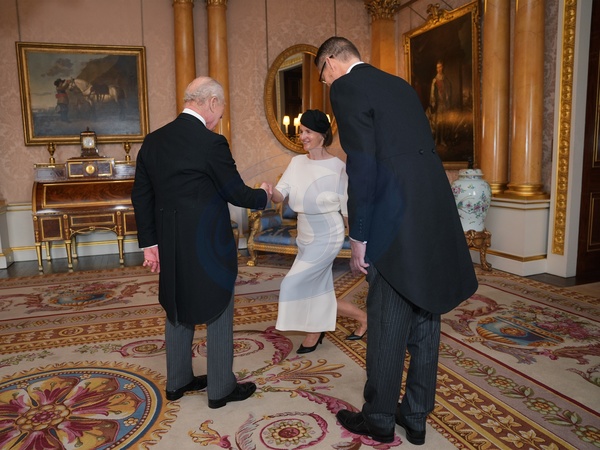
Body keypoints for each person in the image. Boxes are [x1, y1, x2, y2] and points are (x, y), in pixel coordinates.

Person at [316, 37, 478, 444]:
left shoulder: (345, 86)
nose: (326, 82)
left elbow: (363, 166)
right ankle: (417, 415)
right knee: (426, 309)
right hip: (431, 210)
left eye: (322, 75)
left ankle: (379, 417)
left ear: (331, 61)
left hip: (392, 217)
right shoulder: (400, 85)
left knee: (388, 320)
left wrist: (359, 235)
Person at [131, 76, 272, 409]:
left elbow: (141, 196)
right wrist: (265, 195)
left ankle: (178, 381)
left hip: (169, 240)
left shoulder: (153, 140)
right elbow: (236, 193)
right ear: (211, 102)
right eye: (221, 109)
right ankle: (220, 388)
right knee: (219, 304)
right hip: (208, 242)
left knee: (176, 303)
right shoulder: (212, 143)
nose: (221, 116)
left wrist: (150, 243)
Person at [272, 109, 368, 354]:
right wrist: (267, 191)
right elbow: (280, 194)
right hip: (304, 233)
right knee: (317, 291)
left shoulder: (339, 167)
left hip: (328, 234)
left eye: (308, 132)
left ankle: (316, 331)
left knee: (292, 284)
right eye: (301, 131)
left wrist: (356, 245)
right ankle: (360, 319)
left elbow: (347, 210)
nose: (302, 136)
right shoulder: (297, 163)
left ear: (322, 135)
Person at [429, 60, 452, 146]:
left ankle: (442, 140)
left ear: (442, 68)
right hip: (437, 104)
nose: (439, 69)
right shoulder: (434, 81)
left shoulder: (445, 79)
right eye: (437, 67)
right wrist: (433, 101)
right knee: (437, 123)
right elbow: (432, 93)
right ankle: (436, 139)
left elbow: (448, 91)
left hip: (444, 104)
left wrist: (447, 98)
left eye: (440, 67)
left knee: (443, 123)